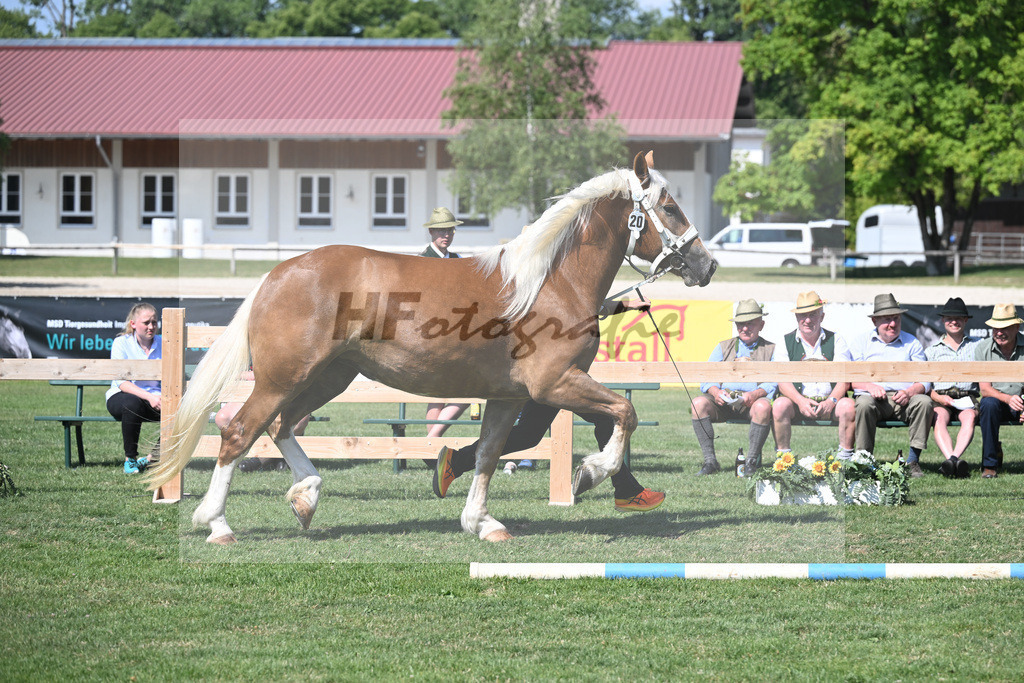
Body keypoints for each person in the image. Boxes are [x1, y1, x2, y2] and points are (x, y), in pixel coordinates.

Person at [432, 298, 665, 512]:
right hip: (553, 375)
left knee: (528, 435)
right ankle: (627, 492)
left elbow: (591, 304)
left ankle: (456, 461)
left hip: (550, 373)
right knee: (608, 415)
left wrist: (626, 306)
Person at [836, 293, 933, 477]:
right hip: (872, 398)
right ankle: (864, 461)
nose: (893, 324)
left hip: (904, 398)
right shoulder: (861, 342)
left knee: (924, 402)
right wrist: (869, 386)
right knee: (863, 404)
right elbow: (852, 378)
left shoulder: (912, 342)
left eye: (896, 318)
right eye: (887, 319)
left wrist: (910, 391)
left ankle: (912, 461)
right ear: (874, 321)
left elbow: (925, 379)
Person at [691, 299, 782, 476]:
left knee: (763, 407)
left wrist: (755, 394)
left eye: (750, 324)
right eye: (741, 324)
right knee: (697, 404)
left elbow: (774, 381)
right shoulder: (723, 346)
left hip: (752, 403)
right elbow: (707, 377)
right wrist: (716, 391)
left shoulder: (771, 349)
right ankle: (710, 462)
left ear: (761, 325)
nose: (745, 328)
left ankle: (751, 462)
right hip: (723, 402)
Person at [771, 291, 855, 459]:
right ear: (796, 318)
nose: (807, 320)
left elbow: (844, 378)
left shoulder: (837, 339)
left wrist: (831, 401)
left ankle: (845, 460)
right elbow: (782, 381)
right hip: (797, 402)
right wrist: (800, 401)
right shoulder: (784, 342)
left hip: (831, 401)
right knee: (779, 405)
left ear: (822, 316)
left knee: (848, 406)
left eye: (813, 315)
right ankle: (784, 461)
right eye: (803, 315)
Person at [419, 207, 470, 454]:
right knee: (441, 393)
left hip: (457, 334)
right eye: (441, 230)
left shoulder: (459, 261)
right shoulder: (422, 262)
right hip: (432, 336)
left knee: (463, 390)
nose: (446, 235)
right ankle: (432, 443)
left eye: (450, 229)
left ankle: (430, 443)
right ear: (431, 232)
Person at [214, 370, 310, 472]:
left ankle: (261, 460)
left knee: (299, 420)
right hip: (246, 391)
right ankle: (277, 458)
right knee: (224, 418)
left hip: (281, 391)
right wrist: (249, 374)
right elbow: (224, 369)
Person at [925, 297, 979, 478]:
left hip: (967, 396)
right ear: (942, 320)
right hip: (941, 397)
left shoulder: (977, 346)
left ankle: (953, 460)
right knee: (939, 418)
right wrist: (940, 398)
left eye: (958, 318)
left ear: (966, 320)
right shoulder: (931, 350)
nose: (953, 321)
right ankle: (952, 461)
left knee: (970, 416)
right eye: (949, 318)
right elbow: (925, 385)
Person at [106, 302, 161, 474]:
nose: (151, 327)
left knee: (181, 408)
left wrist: (163, 397)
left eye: (154, 322)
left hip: (157, 399)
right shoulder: (121, 343)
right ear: (133, 324)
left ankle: (152, 458)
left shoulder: (165, 343)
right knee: (132, 403)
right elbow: (121, 382)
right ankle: (130, 460)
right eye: (146, 322)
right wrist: (149, 397)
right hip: (123, 396)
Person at [974, 303, 1024, 479]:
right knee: (987, 404)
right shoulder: (982, 348)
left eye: (1005, 328)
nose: (999, 332)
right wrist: (1009, 399)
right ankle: (989, 465)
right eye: (996, 328)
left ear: (1017, 327)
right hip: (998, 402)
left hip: (1022, 400)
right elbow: (985, 389)